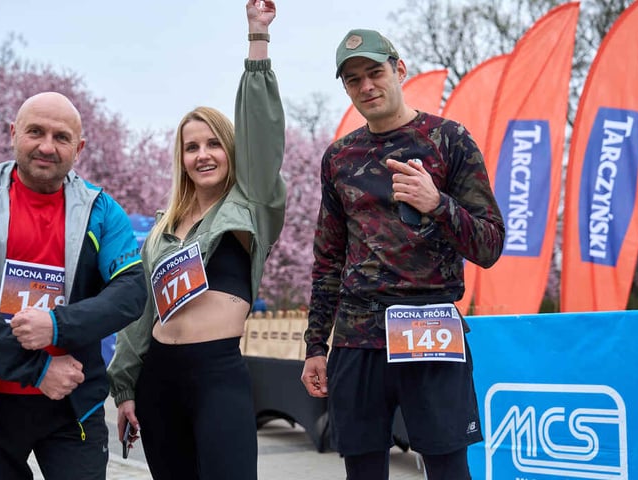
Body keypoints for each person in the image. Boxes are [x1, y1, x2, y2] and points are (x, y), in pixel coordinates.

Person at [300, 29, 505, 479]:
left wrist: (438, 205)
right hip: (357, 336)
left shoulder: (450, 140)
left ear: (399, 70)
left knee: (448, 467)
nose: (367, 86)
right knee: (363, 470)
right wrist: (316, 344)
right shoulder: (339, 158)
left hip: (429, 327)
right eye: (353, 80)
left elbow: (490, 245)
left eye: (375, 72)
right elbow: (328, 258)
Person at [106, 1, 285, 479]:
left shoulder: (250, 207)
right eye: (191, 147)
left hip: (217, 373)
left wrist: (257, 42)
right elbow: (140, 314)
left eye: (213, 144)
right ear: (180, 158)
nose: (202, 155)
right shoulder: (164, 228)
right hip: (158, 378)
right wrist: (124, 388)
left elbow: (263, 136)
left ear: (230, 150)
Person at [0, 91, 147, 480]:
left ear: (78, 148)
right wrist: (36, 369)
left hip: (73, 404)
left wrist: (58, 325)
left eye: (61, 137)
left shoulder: (101, 210)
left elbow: (131, 291)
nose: (47, 146)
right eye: (35, 132)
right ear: (13, 133)